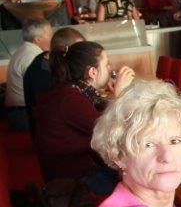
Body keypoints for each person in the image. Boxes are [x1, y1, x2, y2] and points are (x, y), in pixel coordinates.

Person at [33, 41, 134, 195]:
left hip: (74, 170)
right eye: (106, 65)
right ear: (92, 72)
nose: (110, 69)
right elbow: (110, 132)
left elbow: (98, 113)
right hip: (75, 181)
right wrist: (119, 96)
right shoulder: (69, 99)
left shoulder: (72, 91)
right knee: (137, 179)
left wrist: (113, 96)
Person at [23, 26, 86, 133]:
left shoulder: (49, 61)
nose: (82, 56)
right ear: (65, 51)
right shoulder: (42, 73)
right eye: (79, 51)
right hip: (50, 135)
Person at [6, 19, 52, 131]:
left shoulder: (24, 50)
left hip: (19, 113)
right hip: (22, 115)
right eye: (50, 35)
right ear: (37, 39)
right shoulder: (32, 57)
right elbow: (42, 92)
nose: (52, 38)